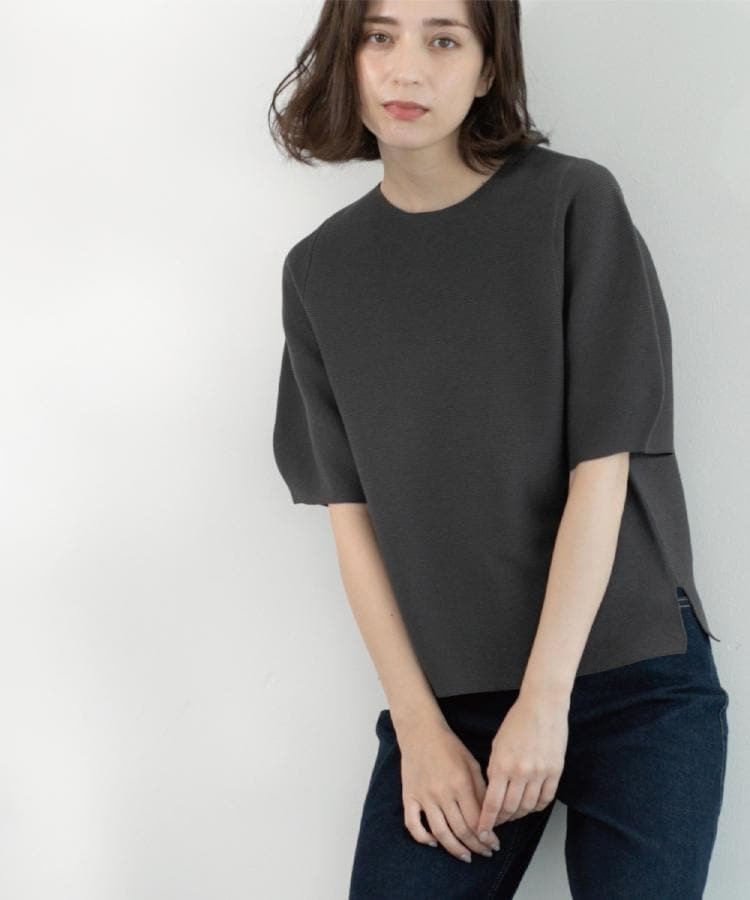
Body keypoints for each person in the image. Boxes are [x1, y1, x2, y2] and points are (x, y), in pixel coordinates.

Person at [268, 1, 729, 896]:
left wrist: (546, 700)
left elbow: (603, 469)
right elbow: (349, 517)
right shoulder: (320, 271)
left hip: (630, 674)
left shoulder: (573, 204)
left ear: (487, 68)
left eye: (444, 39)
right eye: (378, 36)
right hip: (452, 701)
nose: (407, 68)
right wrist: (418, 728)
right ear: (345, 56)